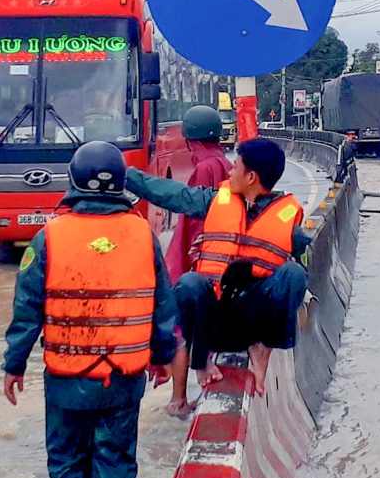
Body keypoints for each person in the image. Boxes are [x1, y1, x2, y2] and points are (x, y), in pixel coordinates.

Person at [2, 140, 177, 478]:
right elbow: (163, 306)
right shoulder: (142, 234)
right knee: (116, 467)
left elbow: (27, 308)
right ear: (121, 183)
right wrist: (160, 358)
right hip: (123, 380)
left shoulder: (49, 237)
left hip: (65, 381)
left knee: (67, 465)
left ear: (74, 181)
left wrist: (14, 364)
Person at [125, 137, 309, 394]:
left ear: (251, 177)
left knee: (294, 274)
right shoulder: (213, 201)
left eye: (236, 167)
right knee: (189, 283)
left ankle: (262, 349)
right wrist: (125, 174)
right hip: (214, 320)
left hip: (252, 321)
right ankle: (201, 361)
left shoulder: (288, 222)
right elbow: (170, 193)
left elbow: (301, 276)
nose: (230, 171)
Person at [162, 106, 233, 418]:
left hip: (200, 262)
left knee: (181, 328)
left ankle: (177, 400)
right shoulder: (228, 164)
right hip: (225, 261)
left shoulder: (202, 169)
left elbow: (193, 224)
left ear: (190, 142)